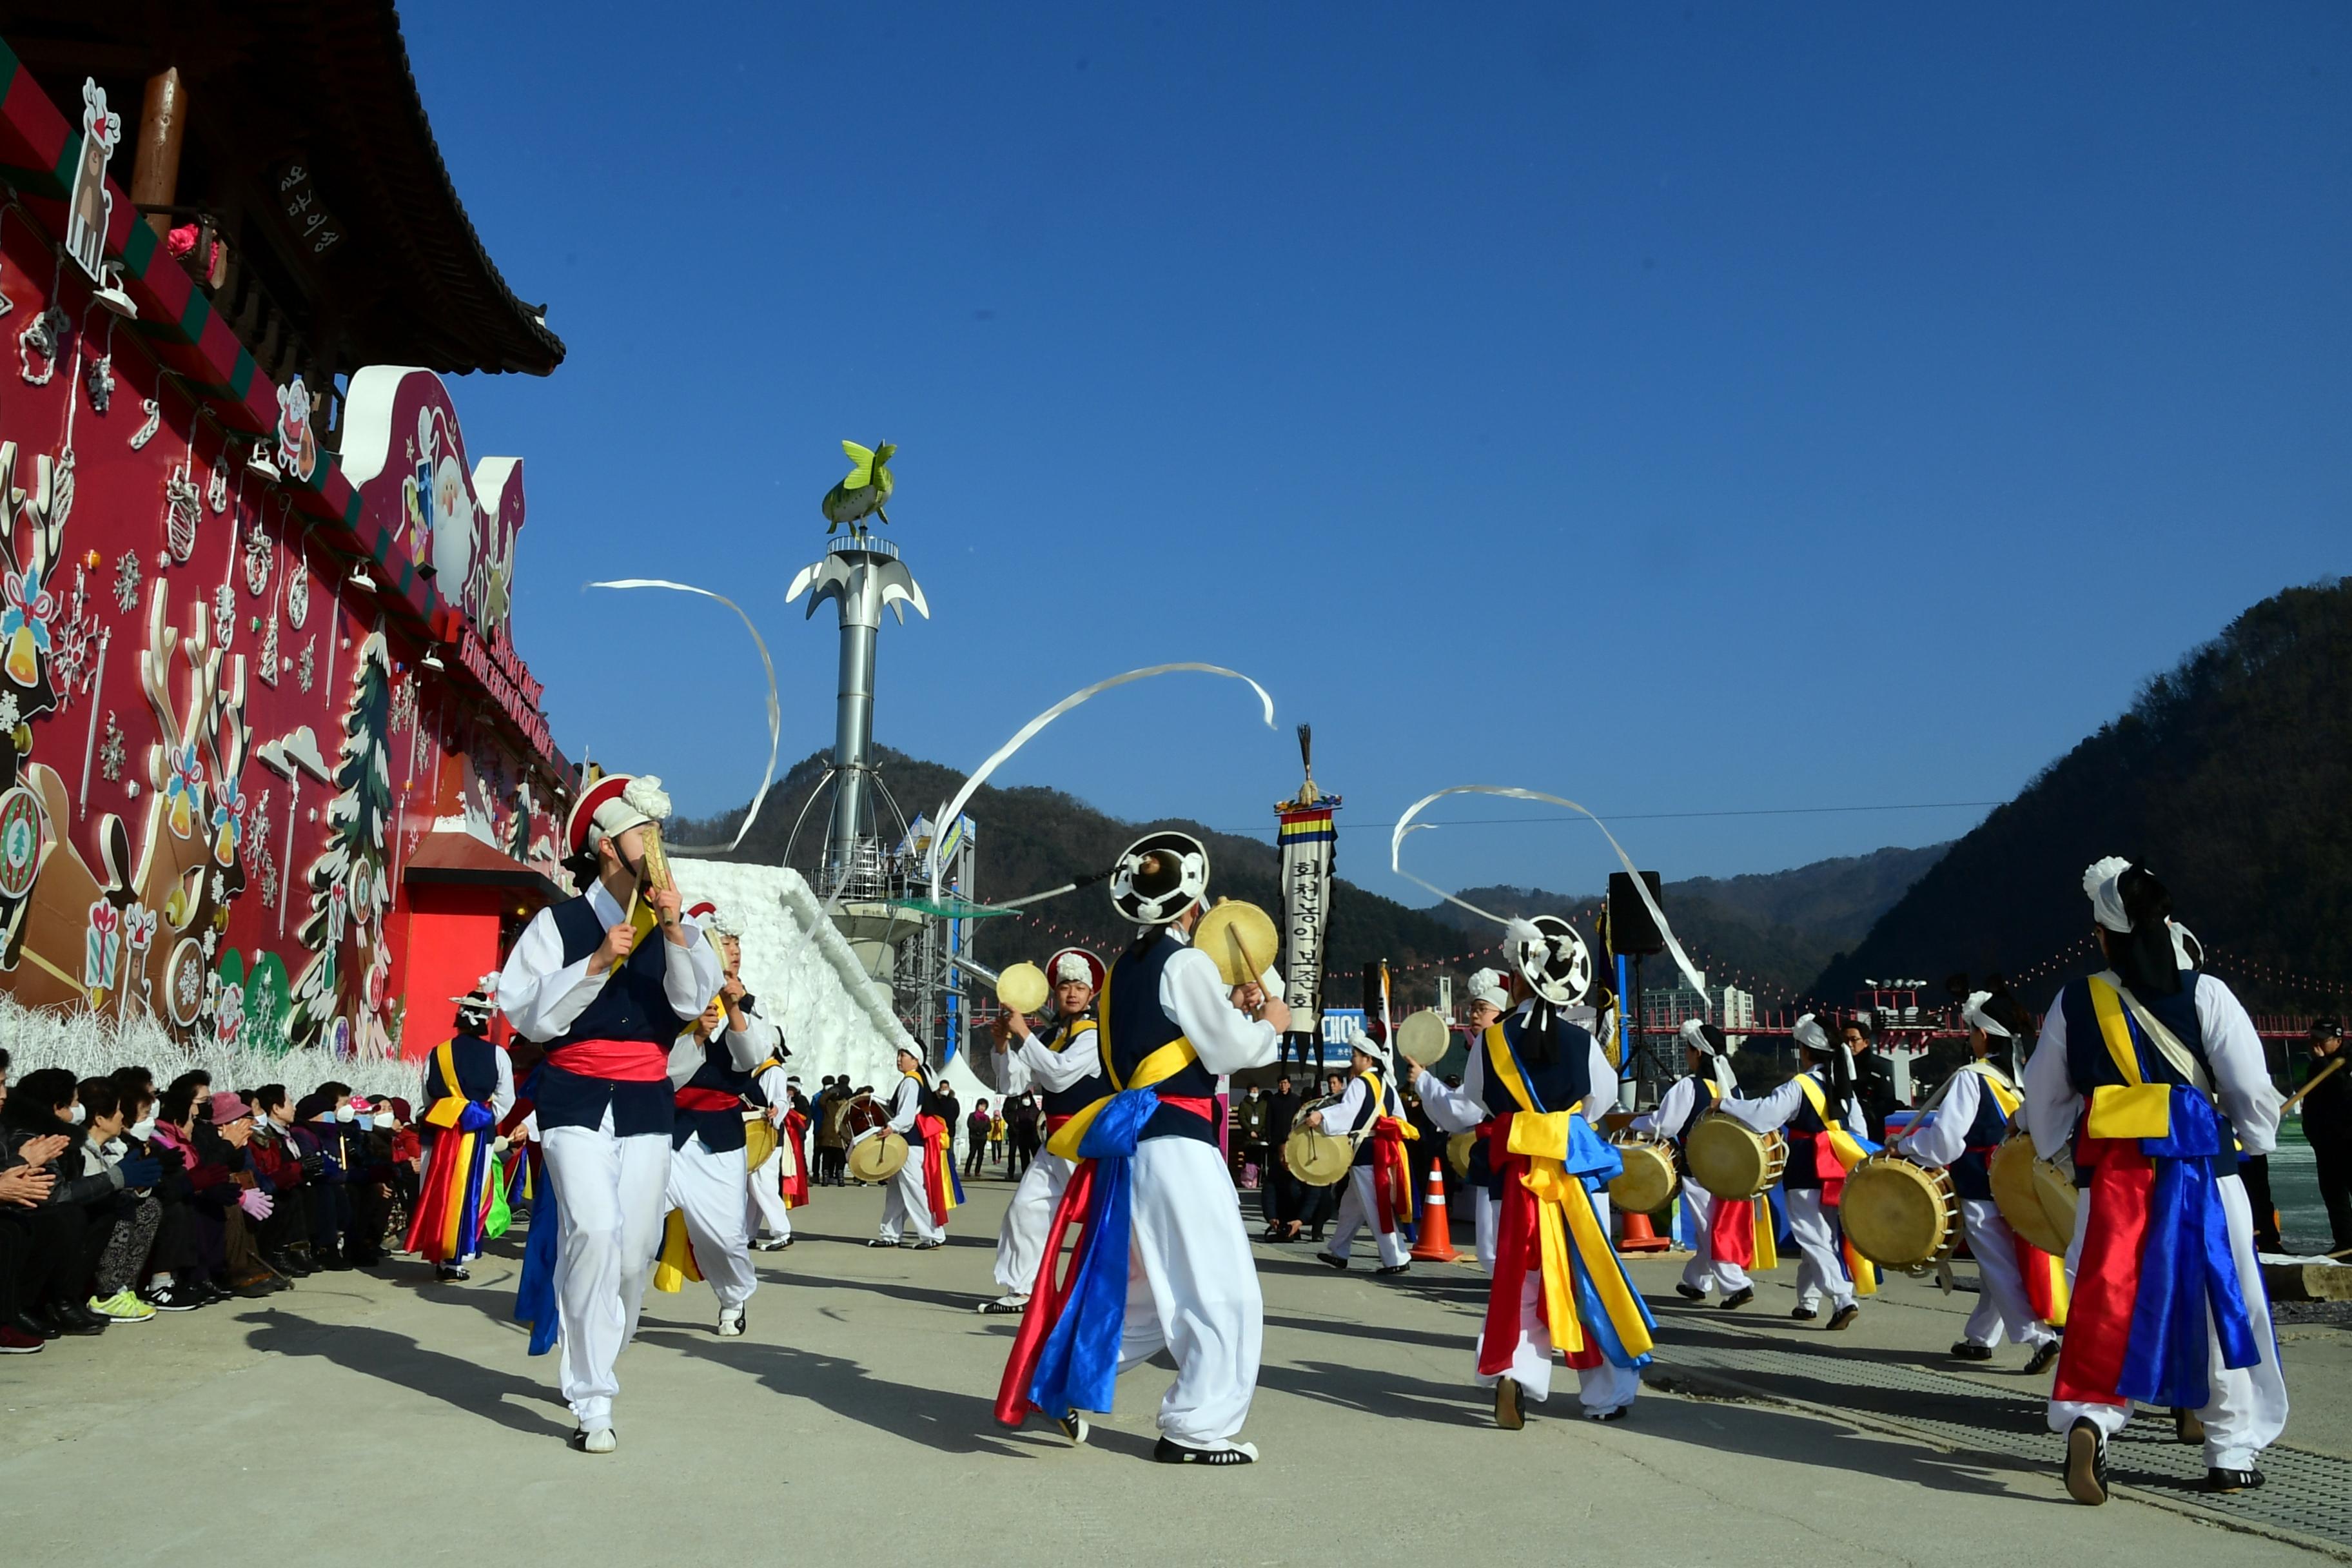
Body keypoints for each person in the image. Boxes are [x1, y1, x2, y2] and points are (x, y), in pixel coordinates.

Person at [997, 831, 1286, 1464]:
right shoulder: (1184, 965)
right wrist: (1272, 1021)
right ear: (1191, 903)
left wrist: (1231, 1007)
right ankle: (1197, 1425)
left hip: (1133, 1147)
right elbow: (1228, 1052)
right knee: (1223, 1289)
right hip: (1178, 1144)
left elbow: (1168, 1044)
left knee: (1147, 1293)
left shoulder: (1123, 972)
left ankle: (1064, 1377)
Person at [2029, 857, 2286, 1504]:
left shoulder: (2075, 999)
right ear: (2166, 921)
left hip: (2110, 1179)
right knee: (2221, 1302)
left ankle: (2093, 1416)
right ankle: (2229, 1448)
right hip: (2203, 1173)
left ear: (2102, 934)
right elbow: (2252, 1089)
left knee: (2106, 1298)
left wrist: (2058, 1151)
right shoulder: (2208, 993)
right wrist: (2256, 1142)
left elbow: (2043, 1095)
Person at [498, 771, 721, 1455]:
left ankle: (598, 1351)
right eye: (641, 833)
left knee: (631, 1255)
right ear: (605, 845)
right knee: (592, 1230)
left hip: (647, 1100)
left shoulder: (676, 924)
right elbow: (523, 1010)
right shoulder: (556, 924)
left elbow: (692, 1003)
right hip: (573, 1097)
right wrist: (594, 963)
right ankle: (593, 1399)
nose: (655, 845)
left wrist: (676, 923)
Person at [1413, 916, 1652, 1427]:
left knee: (1520, 1284)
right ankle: (1604, 1394)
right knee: (1586, 1282)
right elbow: (1600, 1101)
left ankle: (1515, 1374)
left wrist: (1426, 1087)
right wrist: (1559, 1124)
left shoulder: (1492, 1044)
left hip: (1513, 1181)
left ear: (1518, 980)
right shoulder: (1582, 1043)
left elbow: (1465, 1110)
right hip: (1571, 1180)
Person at [1894, 986, 2061, 1370]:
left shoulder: (1973, 1078)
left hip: (1979, 1184)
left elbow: (1945, 1142)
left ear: (1983, 1036)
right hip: (2020, 1183)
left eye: (1971, 1031)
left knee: (1999, 1264)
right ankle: (1980, 1337)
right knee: (1997, 1263)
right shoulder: (2020, 1080)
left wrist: (1903, 1147)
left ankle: (2040, 1338)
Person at [972, 947, 1108, 1315]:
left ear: (1092, 994)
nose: (1073, 993)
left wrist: (1023, 1035)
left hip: (1087, 1143)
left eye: (1080, 987)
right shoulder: (1050, 1036)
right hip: (1056, 1143)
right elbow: (1014, 1083)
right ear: (1055, 993)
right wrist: (1003, 1043)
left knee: (1110, 1223)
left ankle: (1118, 1296)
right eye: (1066, 987)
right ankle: (1023, 1290)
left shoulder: (1094, 1037)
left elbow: (1060, 1075)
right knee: (1025, 1208)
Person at [1724, 1014, 1872, 1329]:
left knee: (1811, 1234)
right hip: (1837, 1167)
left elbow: (1763, 1116)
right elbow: (1858, 1130)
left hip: (1806, 1164)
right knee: (1824, 1235)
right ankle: (1808, 1301)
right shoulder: (1842, 1087)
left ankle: (1843, 1297)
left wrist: (1724, 1104)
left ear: (1806, 1051)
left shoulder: (1800, 1085)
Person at [658, 983, 777, 1338]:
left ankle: (733, 1297)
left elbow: (752, 1057)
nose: (730, 958)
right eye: (722, 949)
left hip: (720, 1140)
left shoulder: (752, 1007)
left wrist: (735, 1007)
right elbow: (662, 1069)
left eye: (733, 953)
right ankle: (609, 1307)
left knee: (724, 1238)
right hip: (665, 1129)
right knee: (629, 1224)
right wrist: (696, 1034)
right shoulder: (671, 998)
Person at [1632, 1019, 1754, 1308]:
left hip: (1699, 1167)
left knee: (1709, 1226)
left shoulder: (1691, 1086)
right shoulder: (1733, 1089)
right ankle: (1696, 1281)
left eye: (1687, 1050)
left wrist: (1635, 1122)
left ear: (1696, 1052)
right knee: (1712, 1224)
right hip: (1731, 1167)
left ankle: (1737, 1285)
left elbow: (1666, 1124)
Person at [407, 977, 518, 1282]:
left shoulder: (437, 1052)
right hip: (476, 1134)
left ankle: (439, 1252)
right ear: (486, 1020)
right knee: (471, 1193)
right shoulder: (498, 1056)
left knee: (436, 1190)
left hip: (441, 1130)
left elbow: (427, 1095)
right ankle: (456, 1257)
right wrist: (482, 1117)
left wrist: (449, 1112)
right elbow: (506, 1099)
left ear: (459, 1017)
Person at [1310, 1029, 1417, 1275]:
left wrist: (1321, 1115)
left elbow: (1347, 1113)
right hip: (1382, 1149)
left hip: (1366, 1151)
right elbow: (1399, 1117)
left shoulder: (1360, 1083)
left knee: (1375, 1206)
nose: (1352, 1060)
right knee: (1352, 1205)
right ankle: (1339, 1250)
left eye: (1355, 1055)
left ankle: (1396, 1257)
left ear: (1368, 1058)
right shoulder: (1387, 1085)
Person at [872, 1048, 954, 1248]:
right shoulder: (918, 1080)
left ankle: (933, 1235)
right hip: (910, 1142)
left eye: (904, 1056)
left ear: (916, 1060)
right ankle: (890, 1234)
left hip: (909, 1143)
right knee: (897, 1191)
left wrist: (892, 1126)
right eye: (899, 1055)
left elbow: (907, 1116)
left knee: (915, 1190)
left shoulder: (911, 1081)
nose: (899, 1059)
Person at [2297, 1017, 2351, 1254]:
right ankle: (2345, 1244)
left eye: (2322, 1039)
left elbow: (2343, 1091)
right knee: (2334, 1195)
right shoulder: (2317, 1064)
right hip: (2326, 1141)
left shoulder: (2344, 1063)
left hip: (2348, 1139)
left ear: (2338, 1041)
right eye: (2313, 1038)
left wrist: (2321, 1064)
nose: (2315, 1044)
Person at [1843, 1017, 1899, 1144]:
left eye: (1854, 1040)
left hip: (1873, 1129)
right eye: (1845, 1040)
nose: (1849, 1045)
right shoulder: (1835, 1067)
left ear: (1866, 1042)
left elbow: (1887, 1102)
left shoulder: (1878, 1068)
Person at [1259, 1073, 1301, 1242]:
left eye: (1285, 1083)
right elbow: (1268, 1119)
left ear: (1290, 1085)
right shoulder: (1273, 1100)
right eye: (1281, 1083)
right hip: (1276, 1142)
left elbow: (1298, 1119)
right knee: (1277, 1173)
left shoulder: (1295, 1100)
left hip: (1292, 1141)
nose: (1283, 1086)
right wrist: (1269, 1136)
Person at [1004, 1091, 1040, 1182]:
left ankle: (1037, 1175)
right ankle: (1022, 1174)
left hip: (1033, 1136)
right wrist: (1014, 1125)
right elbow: (1012, 1117)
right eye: (1025, 1098)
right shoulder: (1017, 1107)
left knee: (1036, 1156)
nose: (1026, 1100)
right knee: (1023, 1157)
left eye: (1027, 1098)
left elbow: (1039, 1122)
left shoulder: (1035, 1110)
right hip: (1021, 1135)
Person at [965, 1099, 994, 1179]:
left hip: (982, 1138)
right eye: (981, 1105)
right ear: (977, 1106)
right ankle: (967, 1170)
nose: (982, 1108)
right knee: (972, 1153)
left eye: (984, 1106)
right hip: (974, 1137)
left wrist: (983, 1130)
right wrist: (977, 1130)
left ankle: (977, 1171)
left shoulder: (986, 1117)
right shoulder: (972, 1115)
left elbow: (989, 1127)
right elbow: (970, 1125)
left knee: (981, 1155)